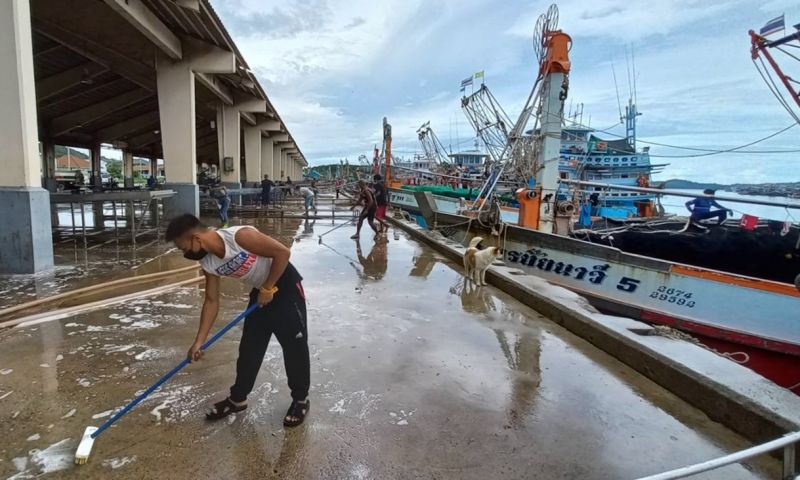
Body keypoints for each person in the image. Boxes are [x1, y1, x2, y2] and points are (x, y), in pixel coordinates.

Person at [165, 214, 310, 427]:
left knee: (294, 346)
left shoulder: (240, 237)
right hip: (260, 293)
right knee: (250, 348)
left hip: (284, 286)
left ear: (196, 239)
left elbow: (283, 253)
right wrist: (199, 341)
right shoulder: (208, 262)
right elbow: (212, 300)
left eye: (183, 247)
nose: (184, 253)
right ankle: (238, 398)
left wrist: (269, 287)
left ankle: (300, 399)